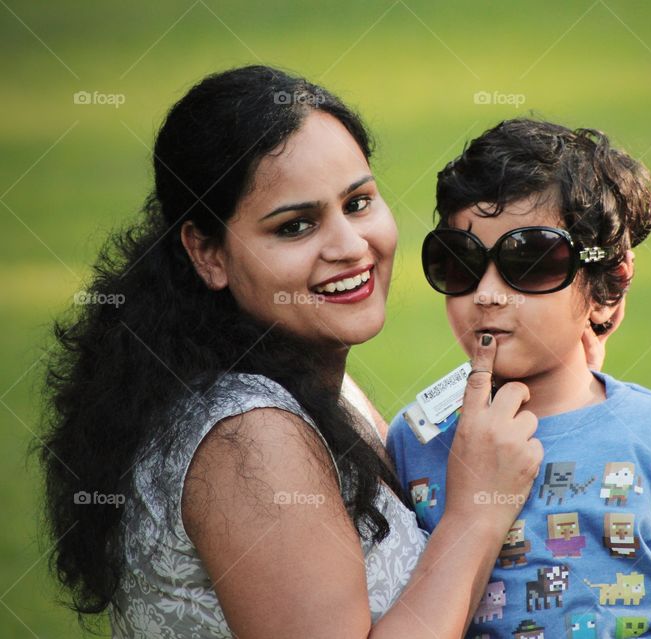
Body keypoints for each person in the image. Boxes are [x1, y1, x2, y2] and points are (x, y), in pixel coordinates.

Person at [37, 65, 546, 638]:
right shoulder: (249, 438)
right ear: (207, 253)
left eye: (358, 203)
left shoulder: (321, 388)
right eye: (296, 226)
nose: (351, 247)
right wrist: (476, 515)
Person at [387, 119, 651, 638]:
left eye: (533, 261)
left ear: (606, 286)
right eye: (460, 261)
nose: (488, 292)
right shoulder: (412, 443)